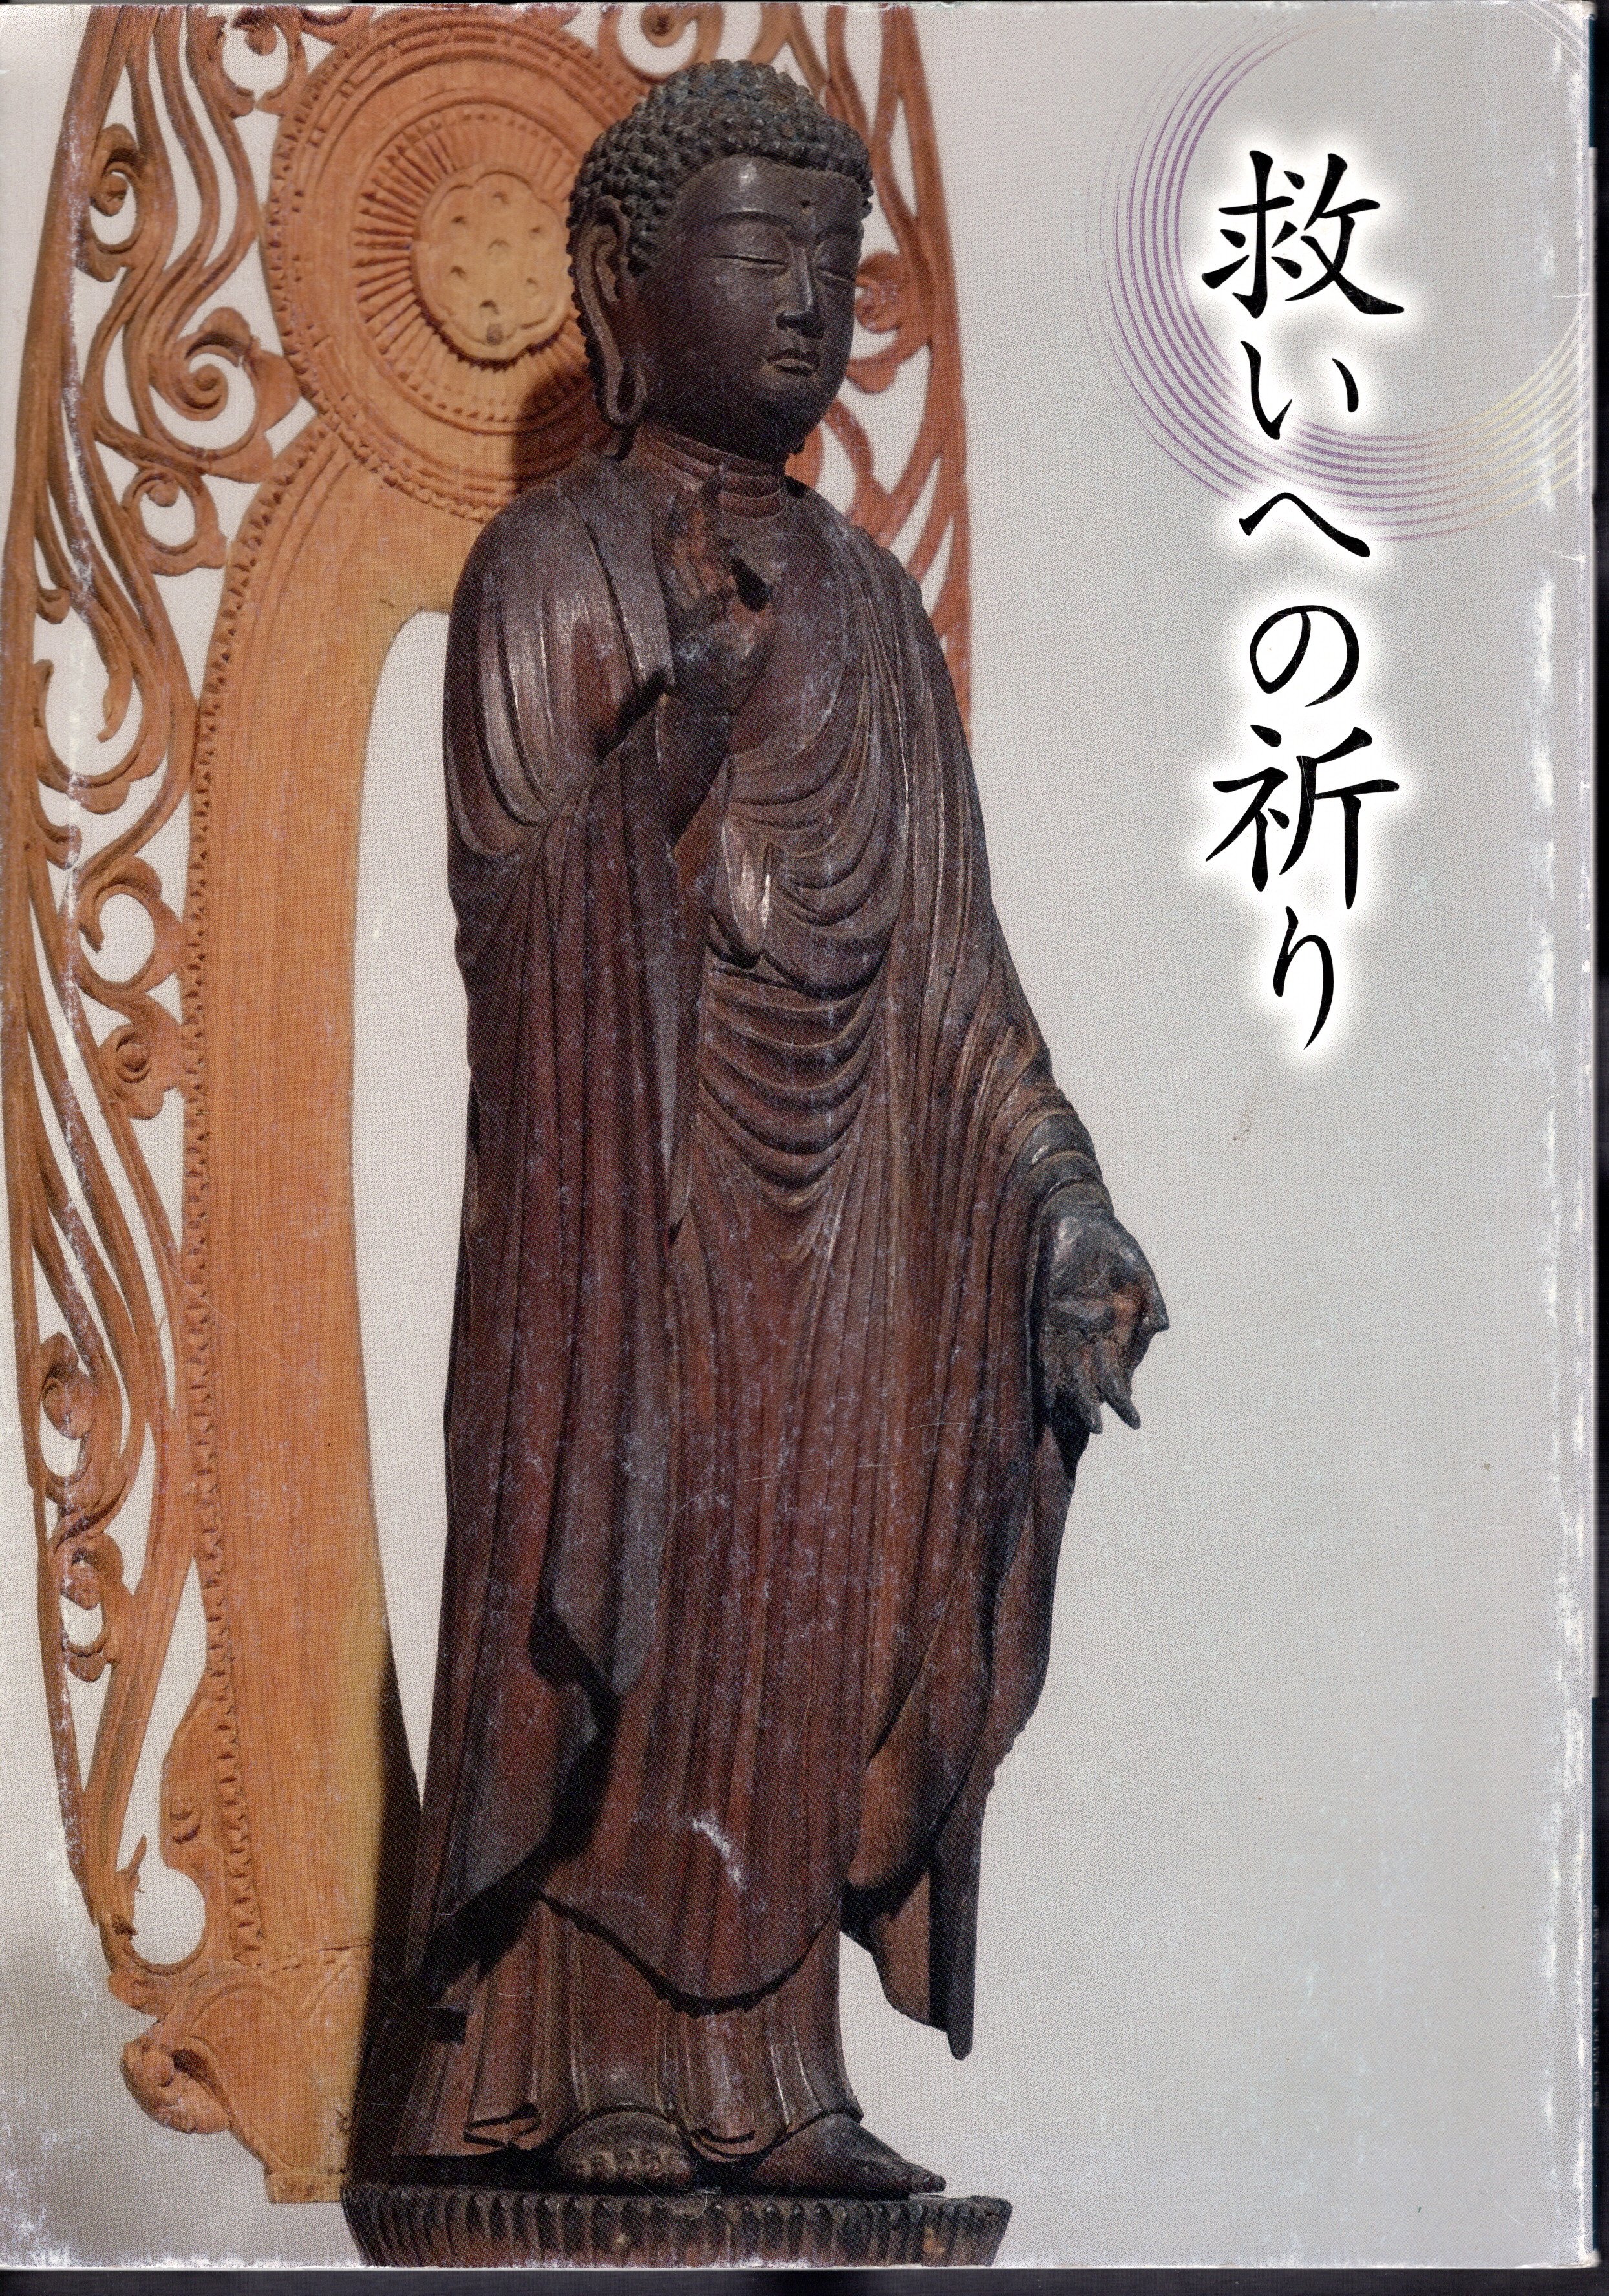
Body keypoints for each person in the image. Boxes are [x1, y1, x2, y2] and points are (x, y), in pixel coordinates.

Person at [384, 58, 1166, 2198]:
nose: (807, 303)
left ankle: (773, 2078)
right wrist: (673, 742)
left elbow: (956, 976)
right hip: (627, 1219)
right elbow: (511, 916)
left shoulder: (875, 613)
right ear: (622, 290)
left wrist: (1064, 1210)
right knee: (636, 1589)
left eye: (835, 265)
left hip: (853, 1237)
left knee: (811, 1612)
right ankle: (579, 2074)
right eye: (756, 257)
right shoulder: (548, 566)